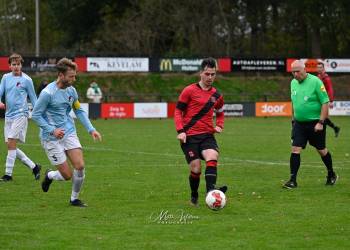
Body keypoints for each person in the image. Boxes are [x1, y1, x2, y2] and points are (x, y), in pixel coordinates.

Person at [32, 58, 102, 207]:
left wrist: (91, 129)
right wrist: (52, 130)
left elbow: (78, 110)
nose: (74, 79)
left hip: (69, 132)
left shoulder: (72, 91)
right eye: (71, 76)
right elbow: (36, 115)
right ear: (61, 75)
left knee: (80, 166)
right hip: (50, 137)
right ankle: (50, 175)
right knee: (67, 175)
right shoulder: (47, 93)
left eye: (75, 76)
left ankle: (74, 199)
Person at [174, 57, 227, 206]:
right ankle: (194, 196)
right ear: (201, 73)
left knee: (212, 156)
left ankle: (211, 192)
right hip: (189, 136)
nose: (210, 77)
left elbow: (221, 112)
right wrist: (181, 131)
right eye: (207, 74)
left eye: (213, 74)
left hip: (207, 135)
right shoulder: (189, 91)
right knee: (196, 167)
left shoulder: (217, 95)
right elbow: (178, 112)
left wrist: (220, 125)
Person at [283, 60, 337, 189]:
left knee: (321, 150)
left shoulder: (316, 82)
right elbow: (294, 103)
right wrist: (293, 119)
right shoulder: (293, 83)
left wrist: (320, 122)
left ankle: (331, 173)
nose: (295, 74)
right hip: (299, 124)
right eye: (293, 72)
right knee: (295, 149)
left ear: (304, 70)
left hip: (315, 123)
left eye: (298, 71)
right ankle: (292, 180)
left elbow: (325, 102)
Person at [0, 53, 41, 182]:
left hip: (21, 114)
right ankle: (34, 167)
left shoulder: (27, 80)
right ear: (9, 66)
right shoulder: (5, 78)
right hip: (8, 115)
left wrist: (39, 113)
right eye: (13, 64)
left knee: (11, 142)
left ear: (21, 65)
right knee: (10, 145)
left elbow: (34, 98)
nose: (16, 67)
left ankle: (8, 174)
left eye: (18, 64)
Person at [317, 62, 340, 137]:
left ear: (323, 68)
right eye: (318, 67)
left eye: (320, 67)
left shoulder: (326, 78)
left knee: (323, 117)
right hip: (320, 100)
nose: (319, 69)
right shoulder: (318, 77)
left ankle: (322, 133)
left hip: (325, 100)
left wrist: (331, 101)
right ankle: (335, 128)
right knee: (323, 117)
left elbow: (330, 89)